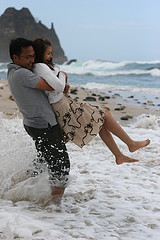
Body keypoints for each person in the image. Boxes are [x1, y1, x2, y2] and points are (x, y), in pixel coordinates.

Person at [33, 38, 150, 165]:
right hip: (62, 107)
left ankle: (119, 156)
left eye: (51, 53)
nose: (51, 56)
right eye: (48, 53)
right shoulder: (40, 66)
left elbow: (59, 86)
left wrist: (61, 77)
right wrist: (62, 74)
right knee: (104, 113)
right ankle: (131, 144)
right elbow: (59, 86)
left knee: (100, 123)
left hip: (64, 102)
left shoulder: (45, 66)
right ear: (40, 53)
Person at [7, 38, 70, 205]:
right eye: (28, 57)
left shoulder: (12, 72)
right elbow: (52, 86)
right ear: (16, 58)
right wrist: (61, 75)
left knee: (43, 160)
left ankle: (19, 189)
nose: (32, 61)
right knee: (61, 164)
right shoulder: (22, 73)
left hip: (33, 124)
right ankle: (55, 204)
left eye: (34, 56)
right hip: (44, 125)